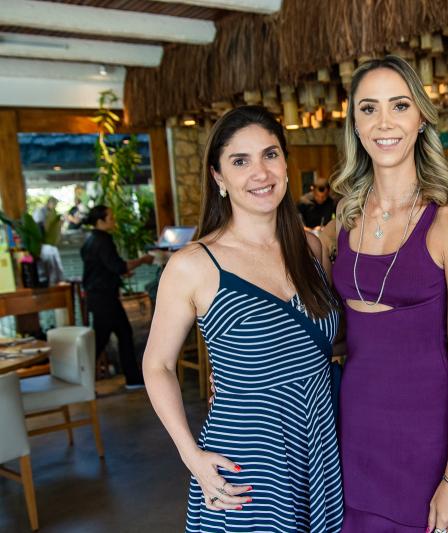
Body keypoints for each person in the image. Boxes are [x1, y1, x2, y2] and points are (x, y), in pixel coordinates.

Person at [142, 106, 344, 532]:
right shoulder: (194, 265)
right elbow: (157, 365)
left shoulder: (310, 249)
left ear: (285, 164)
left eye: (270, 154)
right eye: (240, 161)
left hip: (319, 449)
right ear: (218, 177)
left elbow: (320, 343)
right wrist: (191, 455)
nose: (260, 173)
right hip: (249, 462)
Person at [330, 55, 448, 533]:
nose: (384, 123)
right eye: (368, 108)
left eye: (399, 106)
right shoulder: (345, 217)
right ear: (355, 125)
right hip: (354, 433)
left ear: (421, 119)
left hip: (426, 441)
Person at [81, 205, 154, 388]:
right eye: (111, 217)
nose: (114, 220)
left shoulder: (90, 239)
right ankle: (83, 379)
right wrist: (143, 260)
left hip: (98, 297)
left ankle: (132, 378)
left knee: (120, 334)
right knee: (104, 340)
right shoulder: (103, 240)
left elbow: (104, 267)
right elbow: (118, 266)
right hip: (105, 299)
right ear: (100, 221)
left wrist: (117, 273)